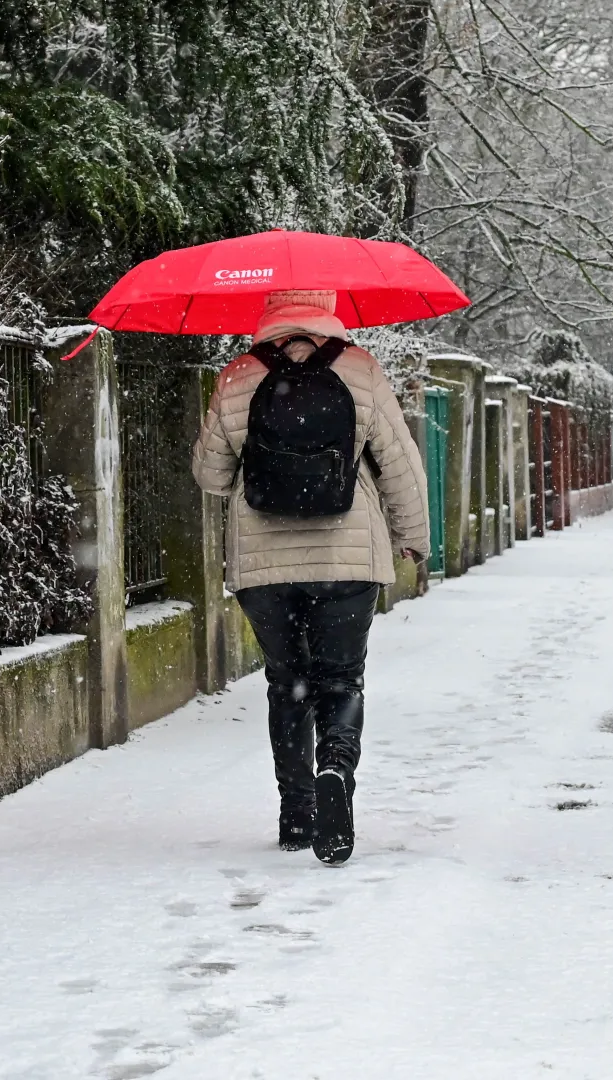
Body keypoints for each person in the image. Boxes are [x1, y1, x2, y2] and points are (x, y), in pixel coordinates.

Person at [192, 290, 429, 865]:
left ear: (267, 315)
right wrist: (413, 537)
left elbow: (211, 476)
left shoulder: (238, 376)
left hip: (265, 566)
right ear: (329, 308)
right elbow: (400, 463)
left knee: (287, 682)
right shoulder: (361, 370)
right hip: (347, 560)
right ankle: (335, 773)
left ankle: (297, 813)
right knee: (341, 681)